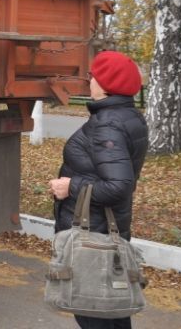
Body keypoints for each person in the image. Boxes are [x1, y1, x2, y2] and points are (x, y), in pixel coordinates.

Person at [48, 51, 149, 329]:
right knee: (111, 312)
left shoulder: (107, 125)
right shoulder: (127, 116)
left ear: (105, 85)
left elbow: (118, 185)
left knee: (92, 311)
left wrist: (70, 186)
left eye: (93, 76)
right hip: (106, 227)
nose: (89, 80)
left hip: (93, 236)